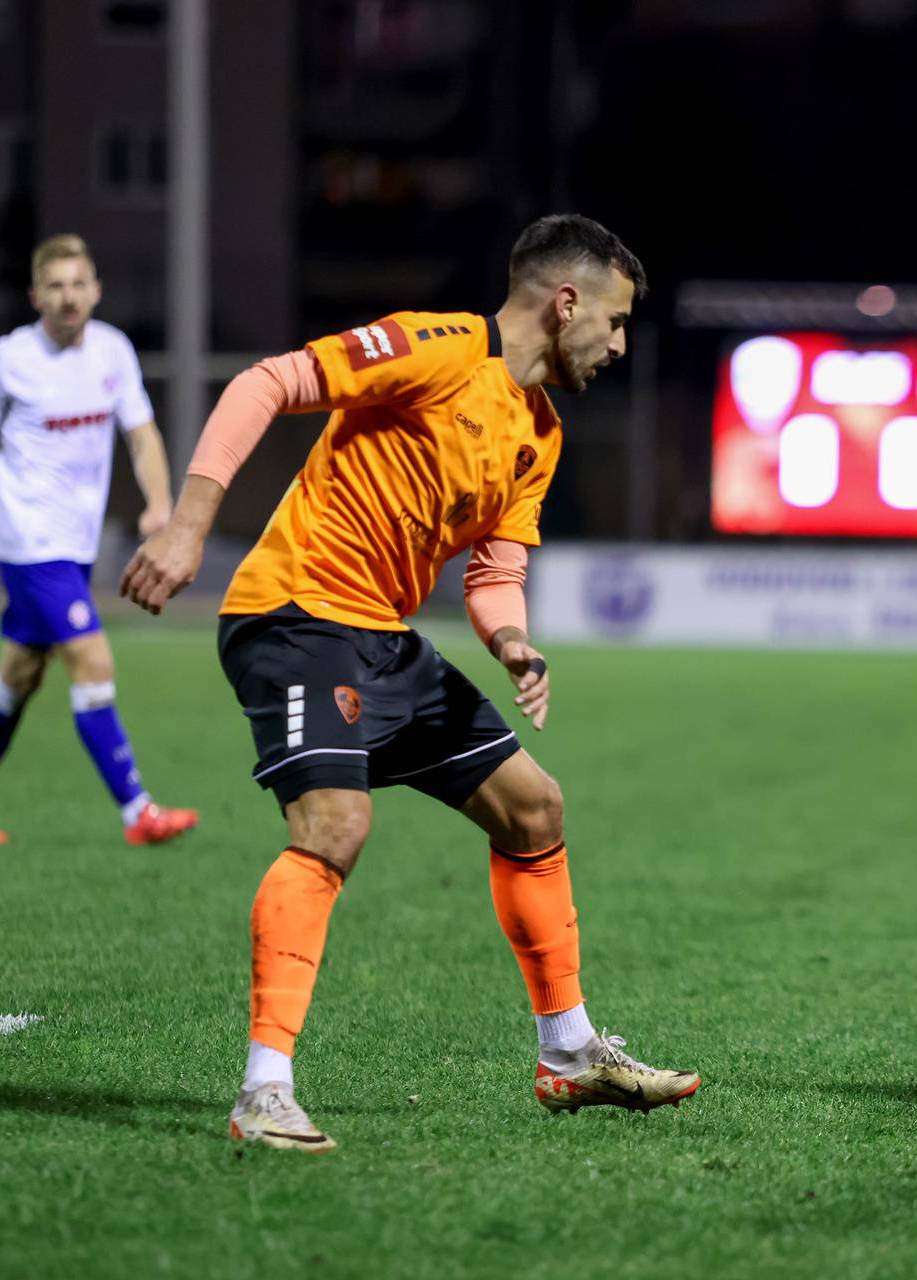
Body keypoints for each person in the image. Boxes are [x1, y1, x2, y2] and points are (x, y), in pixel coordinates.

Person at [119, 214, 699, 1153]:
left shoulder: (538, 430)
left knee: (533, 811)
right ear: (567, 302)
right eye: (618, 319)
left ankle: (570, 1051)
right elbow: (268, 381)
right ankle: (264, 1090)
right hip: (297, 613)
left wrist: (513, 643)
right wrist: (189, 524)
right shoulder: (438, 347)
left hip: (381, 640)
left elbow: (494, 573)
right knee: (336, 826)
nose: (620, 343)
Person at [0, 234, 198, 848]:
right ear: (36, 295)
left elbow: (142, 436)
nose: (69, 297)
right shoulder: (9, 358)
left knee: (19, 674)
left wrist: (160, 504)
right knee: (93, 661)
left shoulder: (114, 352)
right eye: (56, 286)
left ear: (96, 289)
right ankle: (137, 811)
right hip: (31, 543)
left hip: (76, 544)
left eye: (79, 283)